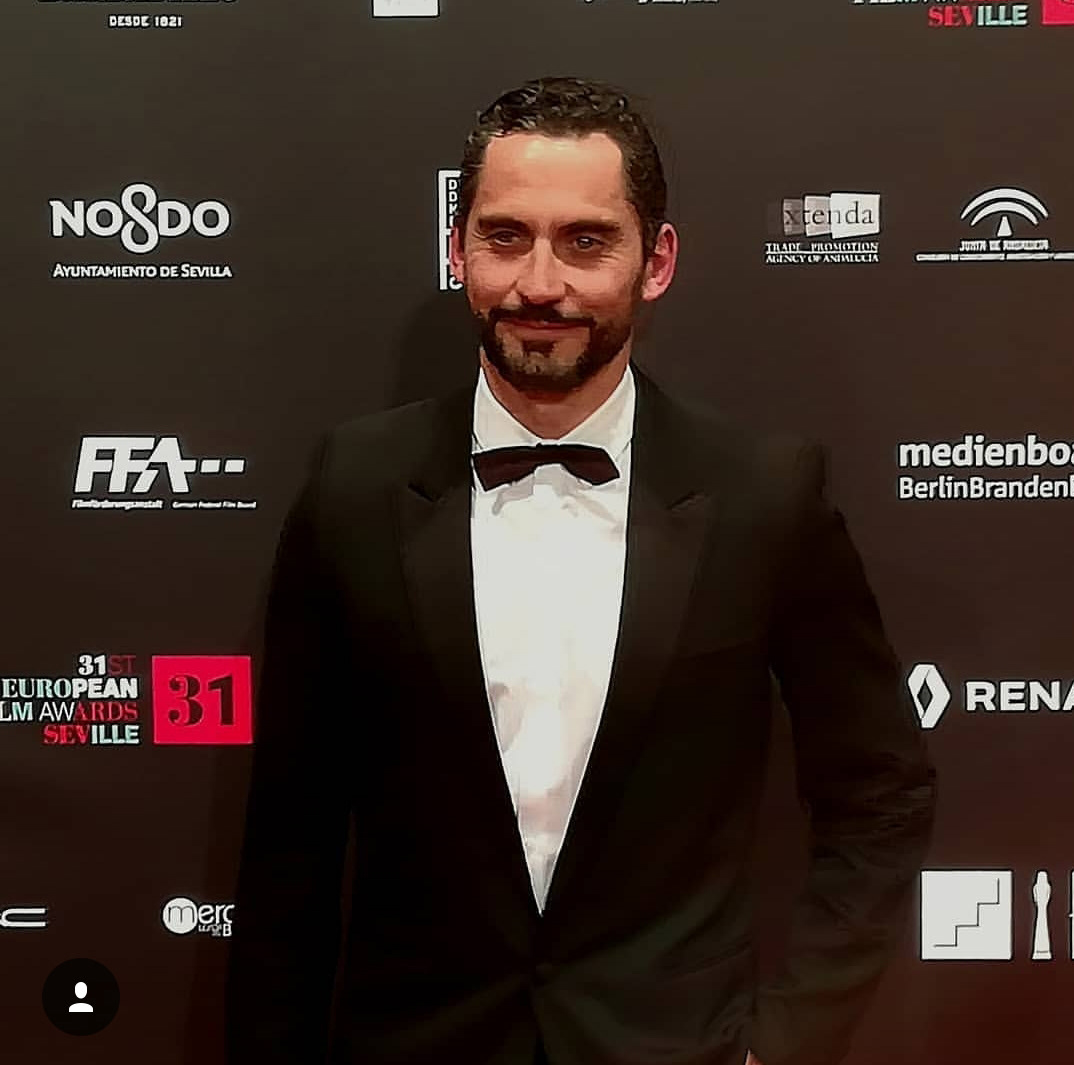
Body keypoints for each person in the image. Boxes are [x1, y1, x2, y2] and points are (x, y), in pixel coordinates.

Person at [224, 76, 936, 1065]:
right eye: (505, 236)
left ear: (658, 260)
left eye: (586, 241)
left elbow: (881, 796)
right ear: (457, 250)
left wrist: (787, 1044)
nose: (539, 282)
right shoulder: (354, 487)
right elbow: (289, 843)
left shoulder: (765, 498)